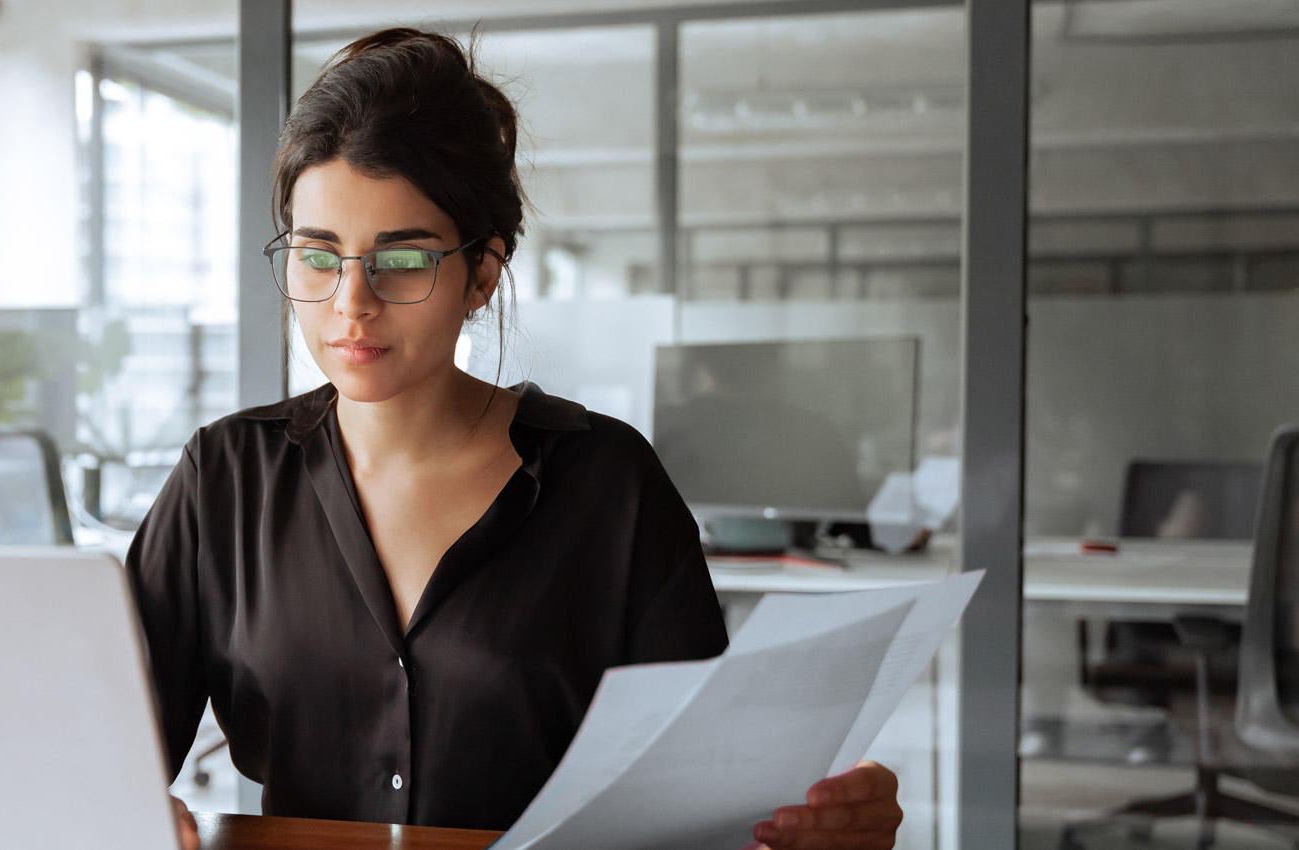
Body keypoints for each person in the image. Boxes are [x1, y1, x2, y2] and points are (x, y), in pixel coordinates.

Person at [125, 27, 905, 850]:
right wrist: (126, 799)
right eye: (319, 257)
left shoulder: (607, 483)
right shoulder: (224, 478)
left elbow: (703, 799)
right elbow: (110, 742)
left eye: (401, 261)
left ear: (483, 272)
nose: (350, 303)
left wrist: (814, 821)